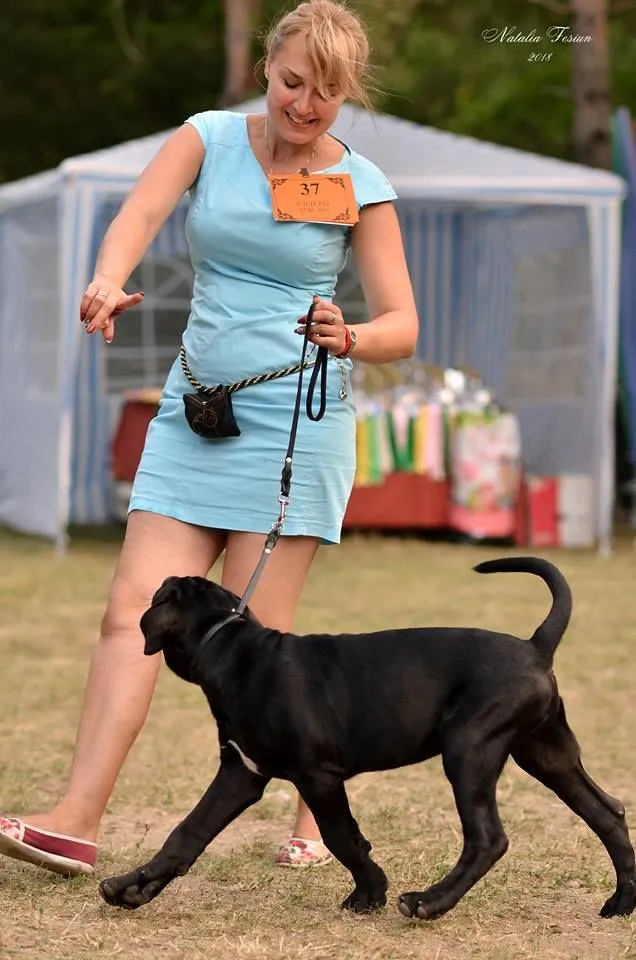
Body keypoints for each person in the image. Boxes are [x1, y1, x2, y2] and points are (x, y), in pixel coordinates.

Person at [0, 0, 418, 875]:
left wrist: (352, 336)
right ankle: (76, 820)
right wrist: (108, 279)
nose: (305, 105)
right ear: (267, 65)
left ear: (347, 94)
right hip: (194, 413)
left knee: (259, 644)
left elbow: (401, 324)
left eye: (327, 93)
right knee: (131, 609)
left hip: (294, 425)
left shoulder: (361, 182)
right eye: (293, 82)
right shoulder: (208, 138)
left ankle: (316, 806)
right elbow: (138, 217)